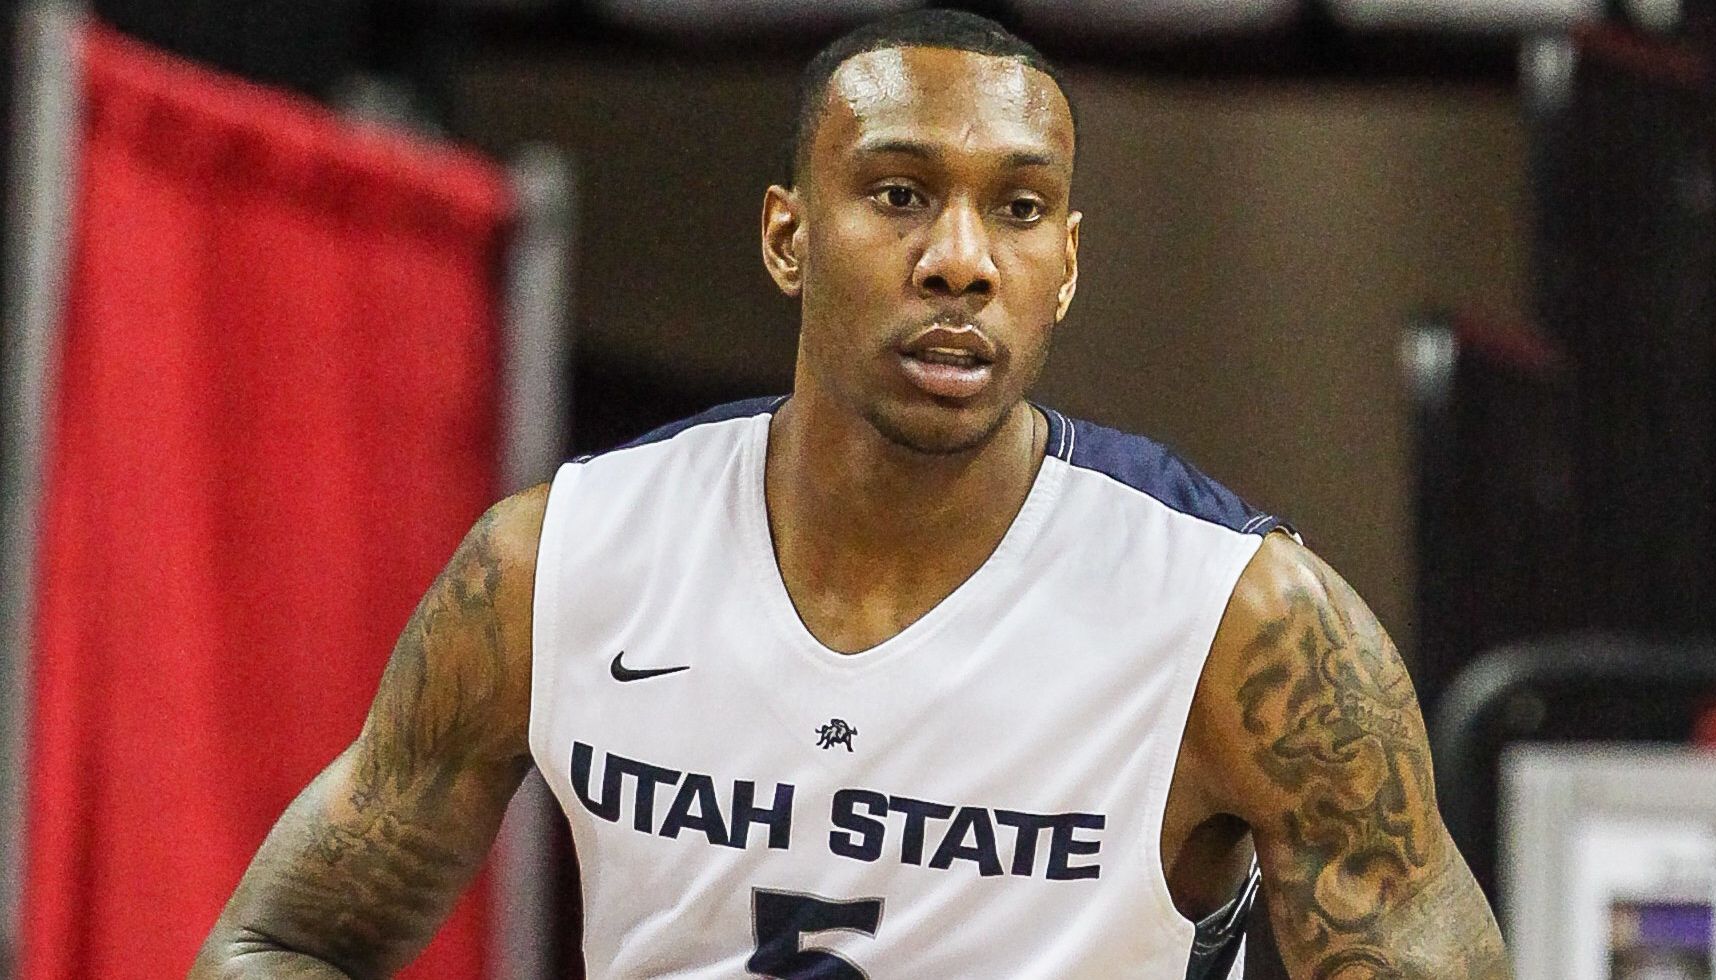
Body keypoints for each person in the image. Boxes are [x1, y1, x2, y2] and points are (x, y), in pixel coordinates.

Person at [191, 10, 1510, 979]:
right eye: (899, 194)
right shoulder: (565, 562)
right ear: (788, 235)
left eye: (1018, 210)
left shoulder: (1242, 621)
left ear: (1064, 268)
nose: (959, 260)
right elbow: (282, 942)